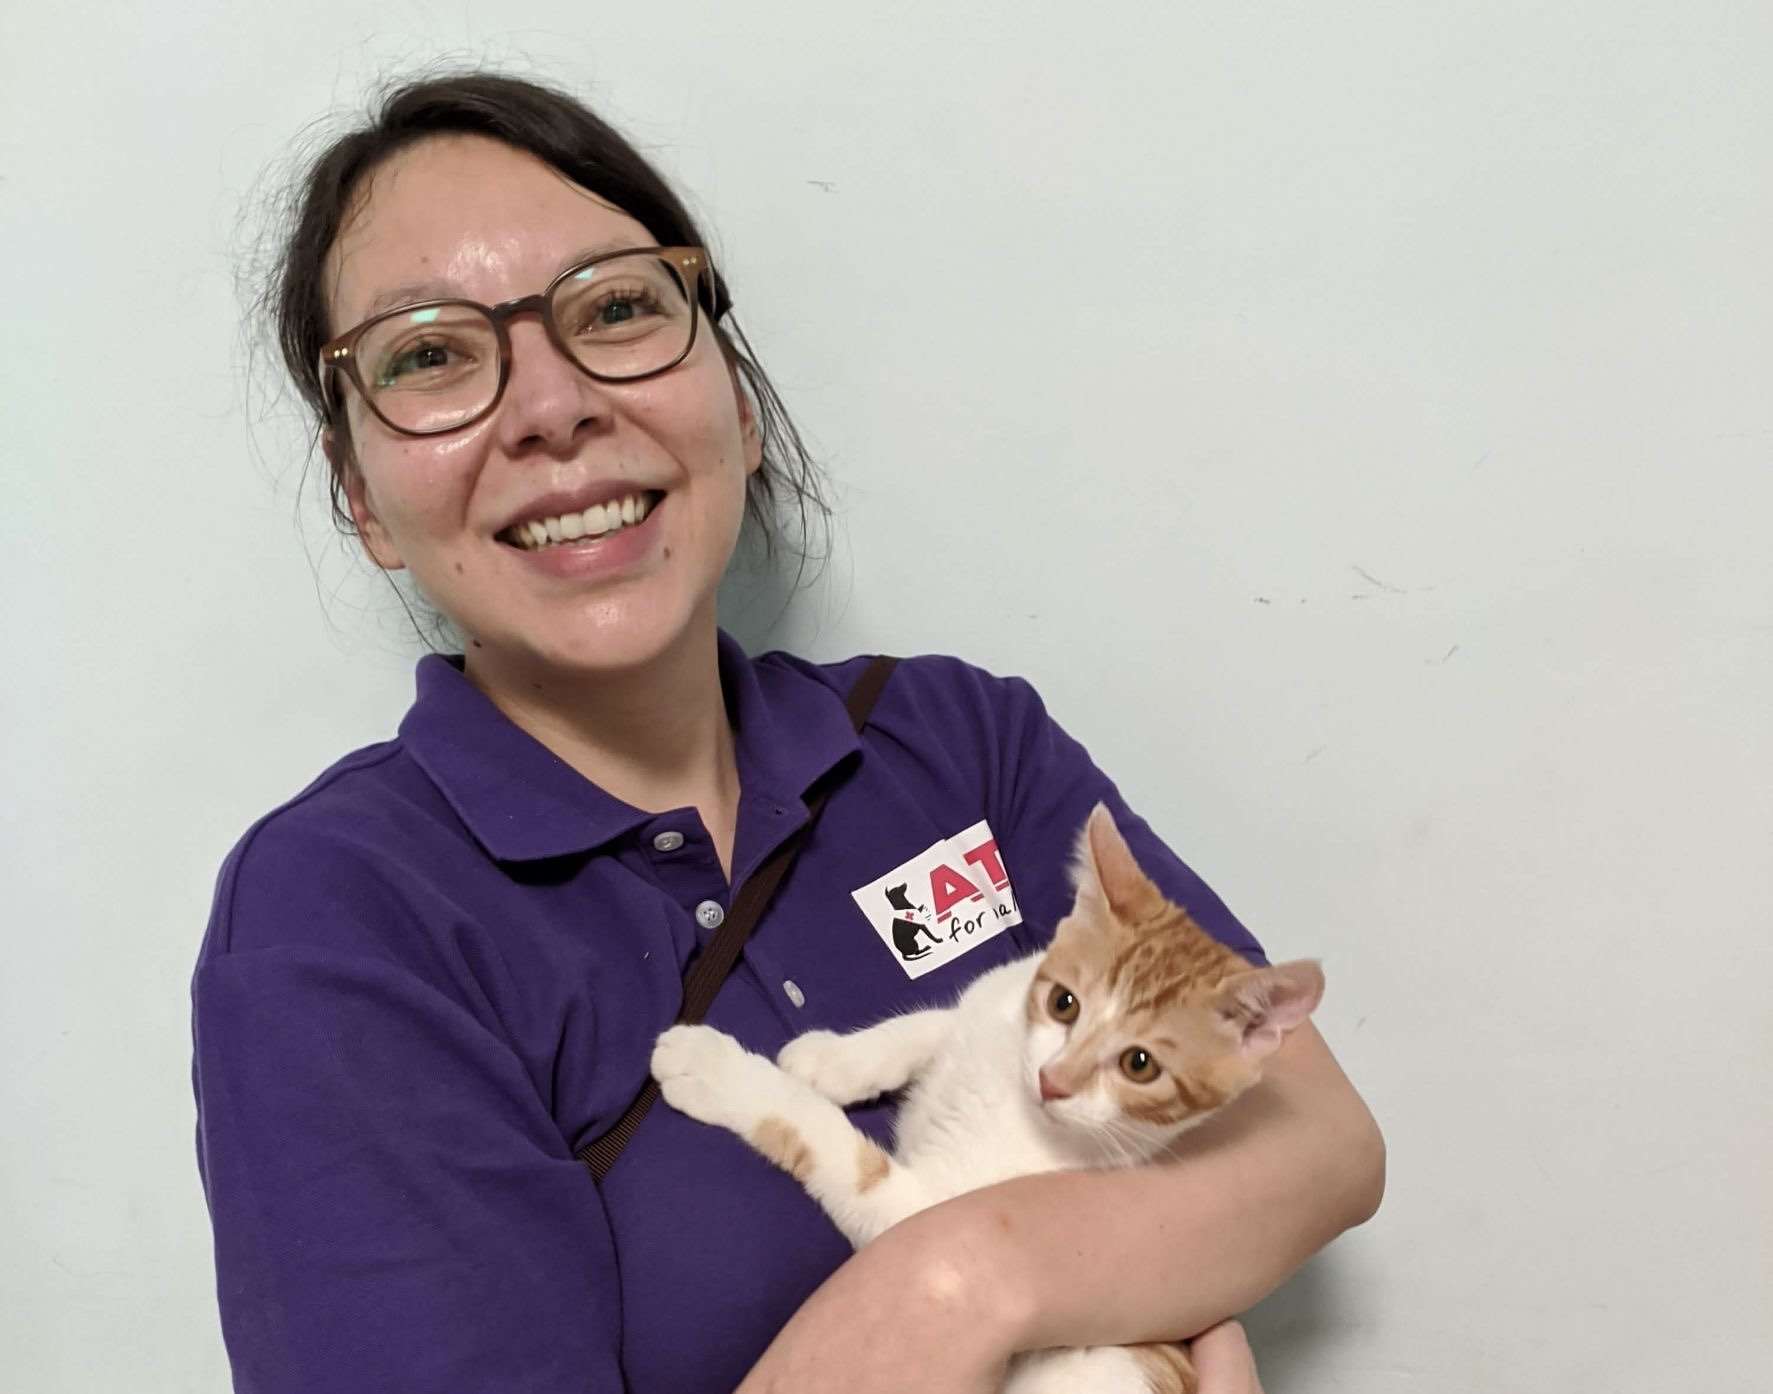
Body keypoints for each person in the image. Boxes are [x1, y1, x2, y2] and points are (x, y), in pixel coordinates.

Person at [190, 71, 1383, 1394]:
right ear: (361, 493)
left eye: (619, 307)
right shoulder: (341, 915)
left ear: (738, 405)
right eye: (428, 354)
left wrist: (963, 1272)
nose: (548, 406)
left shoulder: (955, 742)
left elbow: (1318, 1142)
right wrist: (996, 1292)